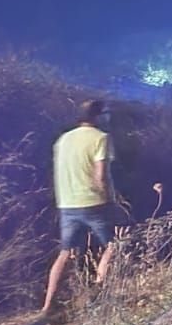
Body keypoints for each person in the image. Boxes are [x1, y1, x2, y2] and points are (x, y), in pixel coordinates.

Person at [41, 99, 119, 313]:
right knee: (115, 245)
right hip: (94, 202)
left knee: (65, 252)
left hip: (67, 203)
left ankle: (48, 304)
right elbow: (101, 175)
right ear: (99, 116)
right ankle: (99, 294)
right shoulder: (101, 138)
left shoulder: (63, 140)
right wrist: (111, 199)